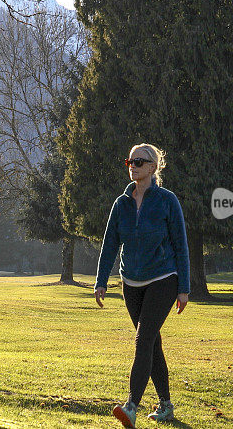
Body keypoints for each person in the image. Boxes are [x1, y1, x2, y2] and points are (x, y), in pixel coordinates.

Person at [93, 143, 190, 427]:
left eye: (139, 161)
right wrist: (101, 281)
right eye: (130, 161)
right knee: (153, 343)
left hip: (163, 279)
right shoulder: (121, 203)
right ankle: (166, 405)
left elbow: (181, 246)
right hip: (130, 283)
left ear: (152, 167)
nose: (132, 165)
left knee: (143, 339)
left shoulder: (167, 200)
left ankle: (131, 405)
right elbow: (110, 244)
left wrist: (183, 287)